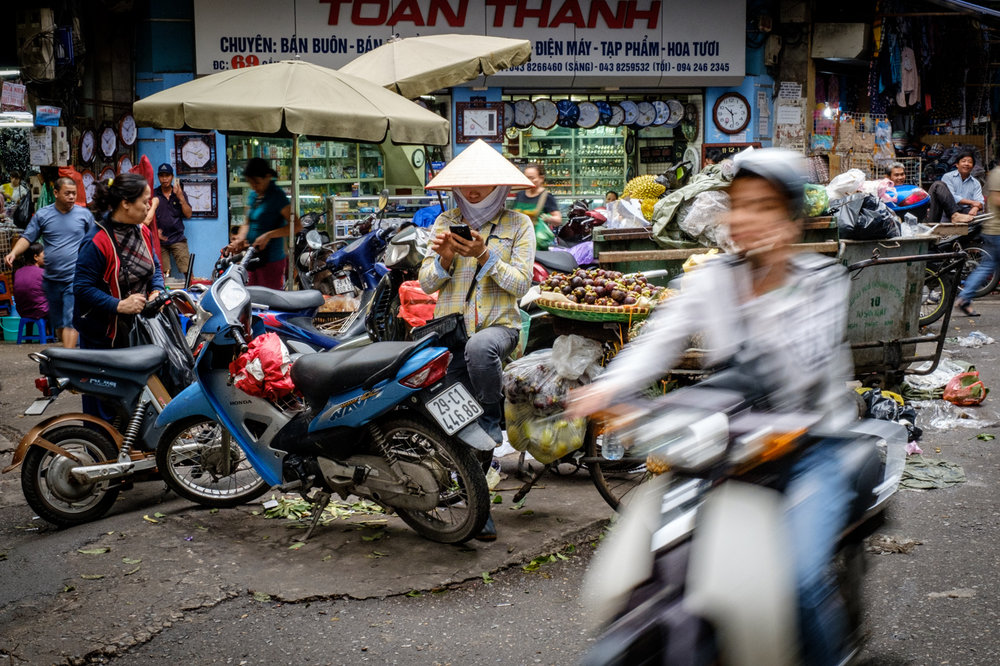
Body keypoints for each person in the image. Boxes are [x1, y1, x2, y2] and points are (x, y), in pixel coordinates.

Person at [568, 149, 857, 666]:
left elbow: (800, 369)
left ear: (792, 219)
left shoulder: (821, 283)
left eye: (765, 206)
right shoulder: (709, 278)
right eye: (739, 205)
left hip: (813, 449)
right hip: (727, 443)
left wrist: (771, 276)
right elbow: (659, 341)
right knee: (655, 564)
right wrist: (606, 390)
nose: (747, 218)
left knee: (797, 583)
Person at [418, 139, 536, 542]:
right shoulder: (444, 221)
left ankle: (492, 417)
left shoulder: (518, 225)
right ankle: (476, 514)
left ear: (499, 187)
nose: (473, 191)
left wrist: (486, 256)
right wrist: (446, 258)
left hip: (497, 330)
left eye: (482, 184)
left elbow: (521, 284)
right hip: (449, 332)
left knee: (480, 353)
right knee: (452, 422)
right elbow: (427, 283)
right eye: (467, 184)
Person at [74, 173, 163, 350]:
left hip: (140, 327)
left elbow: (155, 267)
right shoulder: (97, 241)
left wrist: (157, 290)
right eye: (145, 202)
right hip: (105, 338)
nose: (149, 207)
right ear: (126, 203)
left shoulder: (143, 231)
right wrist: (119, 305)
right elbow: (82, 287)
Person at [4, 177, 94, 348]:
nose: (71, 197)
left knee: (70, 319)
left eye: (74, 193)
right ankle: (68, 354)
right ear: (56, 193)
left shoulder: (84, 215)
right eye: (67, 193)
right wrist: (13, 253)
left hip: (75, 276)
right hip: (51, 278)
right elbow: (28, 237)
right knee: (59, 323)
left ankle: (68, 362)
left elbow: (95, 241)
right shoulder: (43, 215)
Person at [227, 157, 292, 289]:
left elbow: (295, 226)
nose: (254, 187)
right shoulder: (253, 195)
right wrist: (239, 239)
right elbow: (247, 223)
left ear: (267, 177)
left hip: (271, 261)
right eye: (251, 183)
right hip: (252, 258)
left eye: (256, 182)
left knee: (268, 301)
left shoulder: (278, 197)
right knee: (250, 297)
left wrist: (268, 235)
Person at [954, 165, 1000, 316]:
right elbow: (997, 200)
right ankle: (964, 298)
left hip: (993, 229)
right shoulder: (998, 174)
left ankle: (964, 298)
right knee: (987, 265)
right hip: (996, 230)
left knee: (987, 265)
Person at [153, 163, 192, 279]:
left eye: (167, 175)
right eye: (162, 176)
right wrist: (155, 231)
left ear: (172, 177)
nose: (164, 179)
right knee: (163, 274)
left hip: (177, 238)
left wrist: (180, 197)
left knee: (188, 272)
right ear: (158, 177)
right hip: (160, 241)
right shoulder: (154, 194)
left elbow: (188, 214)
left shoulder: (179, 193)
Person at [927, 152, 984, 224]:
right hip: (948, 211)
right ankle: (955, 216)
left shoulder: (976, 183)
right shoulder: (948, 177)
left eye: (970, 162)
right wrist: (972, 202)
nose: (966, 164)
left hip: (965, 211)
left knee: (983, 219)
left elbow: (980, 201)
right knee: (938, 185)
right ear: (957, 164)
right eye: (963, 161)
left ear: (973, 166)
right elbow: (951, 197)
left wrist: (975, 208)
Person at [510, 163, 561, 231]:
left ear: (541, 178)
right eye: (526, 177)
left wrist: (548, 218)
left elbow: (558, 219)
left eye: (532, 178)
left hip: (538, 239)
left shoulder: (546, 196)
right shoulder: (520, 194)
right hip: (520, 237)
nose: (529, 181)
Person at [11, 242, 48, 324]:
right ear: (36, 257)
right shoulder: (42, 272)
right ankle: (53, 335)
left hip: (22, 312)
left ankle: (34, 333)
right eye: (44, 254)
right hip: (41, 312)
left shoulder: (18, 272)